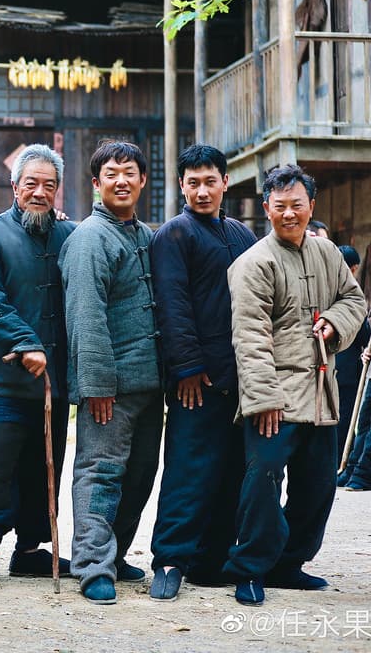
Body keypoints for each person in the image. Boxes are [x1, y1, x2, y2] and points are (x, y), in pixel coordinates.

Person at [225, 164, 366, 606]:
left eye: (297, 205)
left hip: (321, 392)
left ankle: (288, 565)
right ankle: (250, 568)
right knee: (262, 481)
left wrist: (334, 322)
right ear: (267, 208)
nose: (289, 214)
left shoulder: (328, 254)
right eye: (280, 206)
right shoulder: (253, 263)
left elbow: (354, 299)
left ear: (311, 206)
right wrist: (264, 398)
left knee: (318, 486)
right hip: (275, 394)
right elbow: (249, 337)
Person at [0, 144, 74, 589]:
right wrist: (24, 341)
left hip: (54, 380)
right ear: (14, 186)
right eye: (31, 184)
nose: (39, 192)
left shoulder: (70, 234)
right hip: (4, 380)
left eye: (49, 185)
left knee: (44, 465)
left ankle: (30, 549)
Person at [147, 144, 257, 601]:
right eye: (193, 183)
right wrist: (187, 367)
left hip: (241, 376)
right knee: (188, 471)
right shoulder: (174, 235)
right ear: (181, 186)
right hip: (197, 380)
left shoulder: (242, 235)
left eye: (210, 181)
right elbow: (171, 304)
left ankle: (211, 562)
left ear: (225, 183)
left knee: (232, 471)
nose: (202, 191)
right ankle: (170, 560)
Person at [60, 140, 164, 605]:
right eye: (111, 174)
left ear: (142, 180)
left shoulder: (143, 235)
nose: (121, 181)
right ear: (96, 183)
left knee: (140, 475)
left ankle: (115, 555)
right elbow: (85, 315)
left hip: (149, 383)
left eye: (129, 173)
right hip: (111, 386)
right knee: (100, 473)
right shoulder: (90, 238)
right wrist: (96, 384)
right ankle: (92, 565)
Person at [334, 245, 370, 458]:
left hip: (328, 368)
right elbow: (364, 335)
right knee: (344, 422)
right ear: (354, 268)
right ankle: (340, 463)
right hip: (347, 371)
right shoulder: (352, 297)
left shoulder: (325, 291)